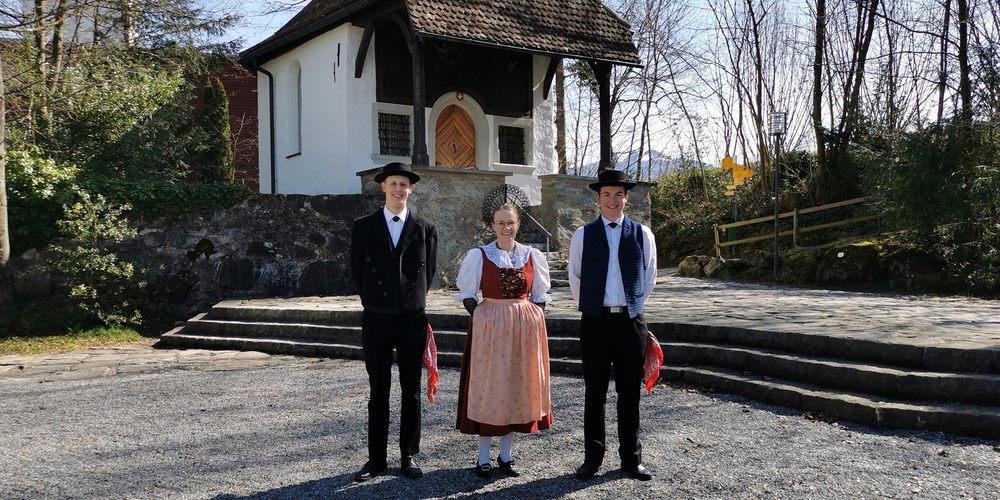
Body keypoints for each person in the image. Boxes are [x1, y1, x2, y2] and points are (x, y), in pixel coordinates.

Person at [350, 162, 438, 482]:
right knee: (379, 391)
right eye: (393, 184)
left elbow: (428, 273)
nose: (399, 189)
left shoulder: (425, 227)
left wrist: (411, 300)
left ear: (410, 188)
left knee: (411, 390)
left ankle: (409, 456)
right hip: (376, 317)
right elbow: (357, 270)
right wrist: (375, 301)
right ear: (383, 187)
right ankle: (376, 460)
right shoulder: (363, 226)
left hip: (412, 318)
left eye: (404, 184)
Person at [568, 169, 657, 481]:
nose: (612, 199)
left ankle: (631, 460)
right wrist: (595, 306)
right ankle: (592, 459)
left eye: (618, 194)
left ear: (626, 198)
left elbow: (649, 276)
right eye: (606, 194)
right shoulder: (582, 235)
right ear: (598, 198)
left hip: (631, 323)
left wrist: (631, 304)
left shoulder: (643, 234)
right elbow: (575, 277)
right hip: (595, 321)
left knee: (629, 393)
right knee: (595, 392)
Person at [455, 203, 552, 478]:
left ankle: (506, 456)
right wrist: (487, 318)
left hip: (523, 330)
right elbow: (468, 294)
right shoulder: (480, 255)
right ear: (493, 226)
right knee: (488, 388)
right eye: (500, 223)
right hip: (490, 331)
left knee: (516, 387)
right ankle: (483, 457)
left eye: (510, 223)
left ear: (518, 224)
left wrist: (528, 320)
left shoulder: (532, 255)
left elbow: (540, 296)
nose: (506, 228)